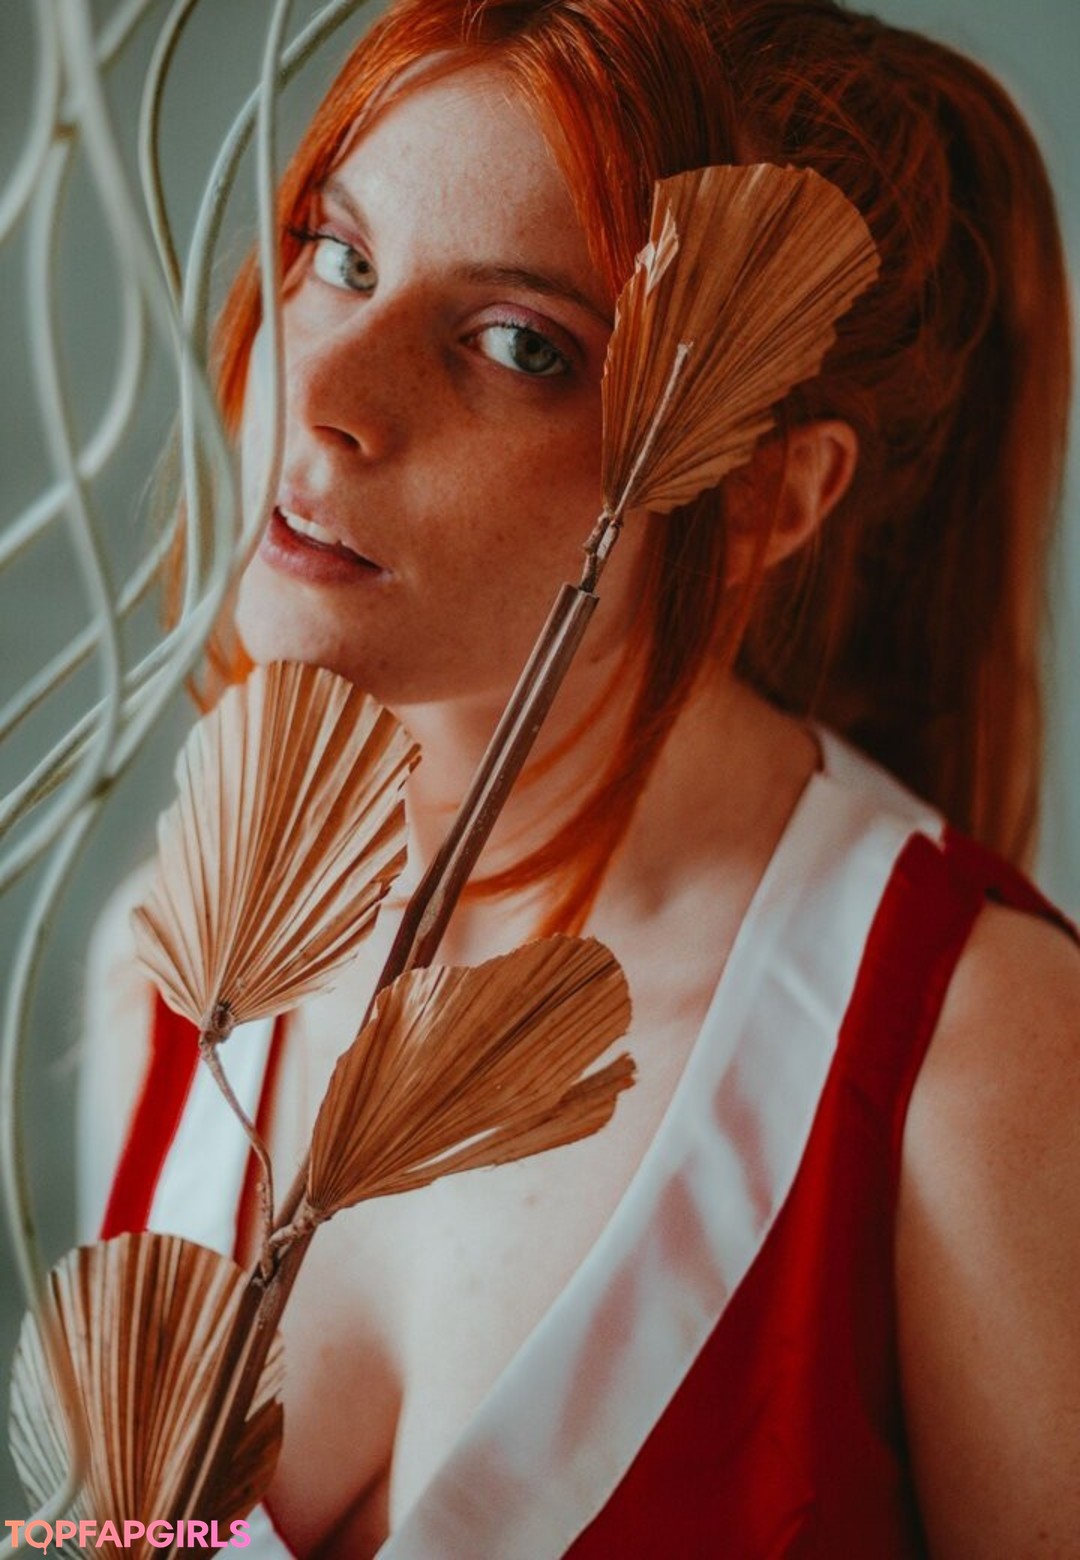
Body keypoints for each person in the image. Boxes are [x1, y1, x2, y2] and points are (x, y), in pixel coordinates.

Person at [81, 0, 1079, 1555]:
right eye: (339, 254)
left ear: (765, 498)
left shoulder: (973, 1058)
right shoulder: (167, 964)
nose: (326, 389)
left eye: (518, 345)